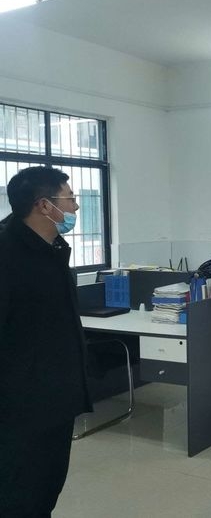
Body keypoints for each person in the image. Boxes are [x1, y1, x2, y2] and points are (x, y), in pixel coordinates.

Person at [0, 166, 91, 516]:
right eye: (70, 199)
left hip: (55, 396)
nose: (75, 207)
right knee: (19, 493)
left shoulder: (52, 248)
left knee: (46, 485)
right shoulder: (7, 253)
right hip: (20, 404)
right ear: (43, 205)